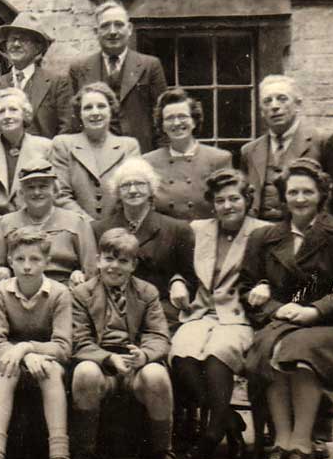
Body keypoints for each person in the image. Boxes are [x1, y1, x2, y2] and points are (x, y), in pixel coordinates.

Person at [241, 158, 333, 459]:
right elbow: (247, 288)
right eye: (293, 192)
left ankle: (300, 444)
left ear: (321, 194)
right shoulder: (264, 237)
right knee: (267, 350)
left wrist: (314, 310)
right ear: (284, 196)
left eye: (307, 192)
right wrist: (272, 306)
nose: (299, 199)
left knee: (297, 352)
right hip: (283, 323)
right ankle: (281, 441)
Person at [70, 228, 185, 459]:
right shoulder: (82, 294)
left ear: (133, 265)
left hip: (136, 363)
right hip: (100, 362)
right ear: (98, 260)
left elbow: (159, 335)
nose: (114, 267)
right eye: (109, 259)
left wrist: (143, 356)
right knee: (84, 372)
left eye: (123, 261)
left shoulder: (147, 292)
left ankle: (164, 451)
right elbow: (79, 341)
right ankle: (83, 453)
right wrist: (108, 358)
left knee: (156, 375)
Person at [169, 169, 267, 459]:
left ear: (247, 200)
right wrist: (176, 282)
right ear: (212, 203)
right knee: (181, 354)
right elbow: (182, 268)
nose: (228, 206)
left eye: (234, 199)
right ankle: (230, 421)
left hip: (239, 315)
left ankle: (212, 434)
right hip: (201, 312)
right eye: (221, 200)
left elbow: (277, 272)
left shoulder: (263, 231)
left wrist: (264, 285)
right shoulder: (198, 229)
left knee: (218, 353)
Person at [0, 227, 73, 459]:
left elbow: (62, 346)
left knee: (49, 371)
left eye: (35, 259)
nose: (27, 266)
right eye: (20, 259)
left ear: (47, 262)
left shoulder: (59, 293)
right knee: (7, 369)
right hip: (13, 358)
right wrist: (22, 354)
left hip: (47, 360)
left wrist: (28, 348)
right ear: (9, 261)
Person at [92, 157, 196, 327]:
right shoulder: (98, 229)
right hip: (110, 314)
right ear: (118, 192)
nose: (133, 190)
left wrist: (179, 282)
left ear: (151, 189)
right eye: (126, 185)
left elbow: (191, 277)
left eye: (140, 184)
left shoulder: (177, 229)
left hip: (160, 312)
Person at [241, 75, 333, 222]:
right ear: (261, 111)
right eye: (267, 101)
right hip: (261, 237)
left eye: (282, 99)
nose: (274, 106)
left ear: (297, 105)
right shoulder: (249, 151)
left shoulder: (323, 142)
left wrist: (323, 233)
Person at [69, 0, 167, 153]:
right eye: (105, 26)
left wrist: (160, 157)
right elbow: (74, 120)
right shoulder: (79, 69)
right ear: (96, 32)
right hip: (95, 152)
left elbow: (162, 116)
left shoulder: (150, 65)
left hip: (140, 152)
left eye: (119, 25)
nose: (113, 31)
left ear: (129, 29)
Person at [0, 159, 96, 286]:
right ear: (21, 193)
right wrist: (2, 271)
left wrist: (79, 275)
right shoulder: (4, 223)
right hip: (19, 291)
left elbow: (90, 269)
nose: (37, 192)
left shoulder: (77, 222)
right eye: (30, 187)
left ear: (55, 190)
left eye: (43, 186)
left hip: (66, 291)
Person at [50, 82, 140, 220]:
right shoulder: (63, 144)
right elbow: (61, 195)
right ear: (79, 114)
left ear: (111, 110)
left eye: (101, 106)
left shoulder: (129, 146)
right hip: (76, 228)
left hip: (119, 229)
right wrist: (87, 224)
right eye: (88, 108)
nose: (95, 112)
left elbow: (132, 192)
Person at [143, 88, 232, 221]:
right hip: (167, 237)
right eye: (169, 118)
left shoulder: (219, 158)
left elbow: (227, 206)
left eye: (182, 116)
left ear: (194, 121)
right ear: (162, 126)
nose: (177, 123)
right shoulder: (148, 162)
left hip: (207, 236)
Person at [0, 12, 72, 140]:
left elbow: (66, 128)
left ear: (38, 48)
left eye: (23, 40)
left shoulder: (57, 83)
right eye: (13, 39)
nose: (16, 44)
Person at [0, 87, 55, 217]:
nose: (7, 116)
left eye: (13, 110)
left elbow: (55, 195)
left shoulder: (46, 147)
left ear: (24, 114)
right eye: (1, 112)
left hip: (36, 223)